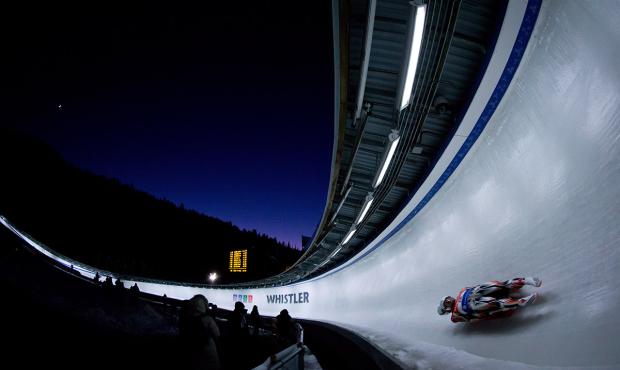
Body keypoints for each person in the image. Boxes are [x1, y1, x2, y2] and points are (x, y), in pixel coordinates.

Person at [438, 277, 542, 323]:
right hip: (473, 305)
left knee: (500, 285)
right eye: (446, 303)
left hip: (477, 291)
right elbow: (468, 319)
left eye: (447, 299)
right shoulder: (454, 315)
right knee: (494, 303)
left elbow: (474, 287)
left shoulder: (462, 291)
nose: (448, 301)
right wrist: (482, 316)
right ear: (447, 309)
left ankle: (526, 280)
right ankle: (520, 302)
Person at [179, 294, 221, 370]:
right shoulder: (208, 319)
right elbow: (217, 334)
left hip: (192, 354)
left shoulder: (186, 318)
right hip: (208, 353)